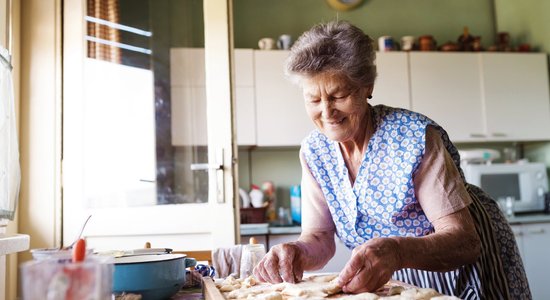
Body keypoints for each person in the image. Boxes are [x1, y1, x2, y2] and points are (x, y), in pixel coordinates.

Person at [253, 21, 530, 300]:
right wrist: (296, 252)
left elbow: (464, 241)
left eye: (338, 95)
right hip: (397, 267)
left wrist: (396, 251)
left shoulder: (413, 138)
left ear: (366, 86)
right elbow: (319, 238)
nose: (327, 112)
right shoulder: (315, 152)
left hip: (462, 260)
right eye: (313, 99)